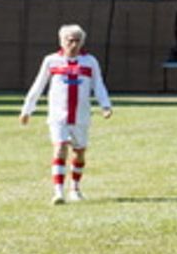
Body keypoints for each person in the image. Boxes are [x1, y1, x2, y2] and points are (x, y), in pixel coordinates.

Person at [20, 24, 113, 205]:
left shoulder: (90, 61)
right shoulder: (51, 61)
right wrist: (27, 110)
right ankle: (58, 192)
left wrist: (105, 106)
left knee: (79, 152)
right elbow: (38, 85)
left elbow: (98, 84)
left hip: (81, 116)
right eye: (69, 40)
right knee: (60, 147)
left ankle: (75, 188)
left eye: (77, 40)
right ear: (61, 41)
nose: (73, 43)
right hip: (58, 116)